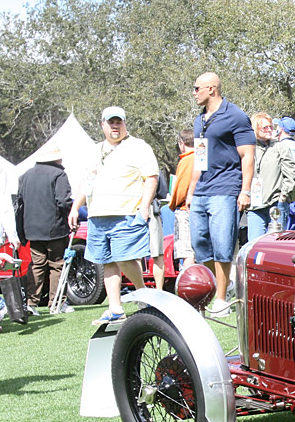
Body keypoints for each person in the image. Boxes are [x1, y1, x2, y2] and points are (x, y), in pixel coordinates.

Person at [69, 106, 159, 325]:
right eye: (111, 122)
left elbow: (151, 177)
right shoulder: (94, 150)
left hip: (126, 213)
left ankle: (143, 295)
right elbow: (86, 183)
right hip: (97, 216)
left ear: (125, 123)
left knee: (124, 258)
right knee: (107, 262)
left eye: (119, 121)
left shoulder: (139, 147)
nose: (115, 126)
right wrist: (75, 208)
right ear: (103, 125)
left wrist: (144, 206)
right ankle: (115, 308)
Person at [186, 72, 256, 317]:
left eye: (197, 88)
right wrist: (191, 189)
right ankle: (219, 288)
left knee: (223, 244)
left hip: (226, 189)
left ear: (211, 89)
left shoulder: (235, 116)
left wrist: (245, 190)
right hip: (202, 190)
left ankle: (220, 299)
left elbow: (247, 155)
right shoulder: (200, 120)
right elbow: (200, 157)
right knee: (200, 243)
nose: (194, 93)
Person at [15, 144, 74, 313]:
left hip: (32, 230)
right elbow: (63, 201)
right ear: (56, 158)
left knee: (37, 265)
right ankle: (56, 303)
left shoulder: (25, 176)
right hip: (55, 228)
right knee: (57, 265)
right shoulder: (59, 174)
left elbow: (20, 204)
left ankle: (31, 304)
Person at [247, 112, 295, 239]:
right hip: (255, 206)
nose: (269, 130)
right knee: (254, 244)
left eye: (271, 126)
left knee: (274, 244)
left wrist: (283, 196)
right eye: (265, 127)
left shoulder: (280, 148)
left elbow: (292, 174)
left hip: (276, 205)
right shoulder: (249, 149)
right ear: (255, 129)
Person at [169, 129, 197, 269]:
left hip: (185, 209)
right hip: (197, 209)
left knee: (187, 251)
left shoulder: (187, 160)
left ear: (182, 143)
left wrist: (172, 203)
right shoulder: (201, 157)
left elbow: (181, 188)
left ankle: (189, 279)